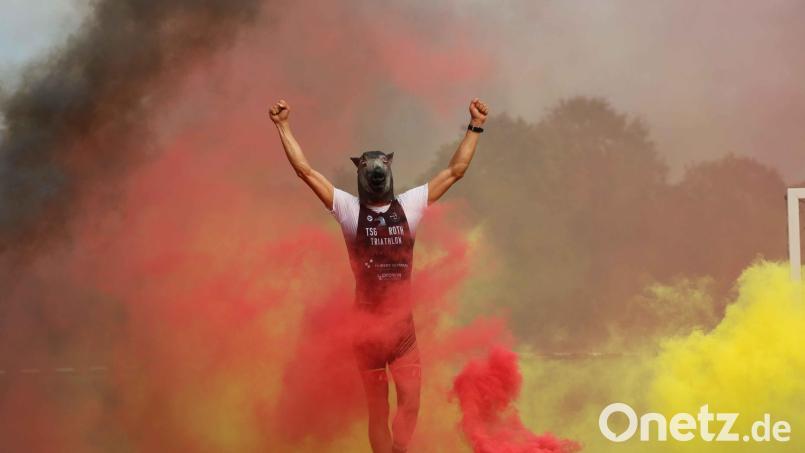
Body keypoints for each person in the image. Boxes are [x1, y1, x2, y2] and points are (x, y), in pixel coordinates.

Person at [270, 97, 488, 453]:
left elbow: (455, 171)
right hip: (367, 333)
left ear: (387, 170)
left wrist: (476, 125)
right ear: (361, 173)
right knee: (378, 411)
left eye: (378, 168)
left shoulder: (410, 205)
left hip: (403, 331)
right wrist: (282, 126)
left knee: (410, 404)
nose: (375, 174)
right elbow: (305, 172)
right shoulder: (348, 210)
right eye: (371, 169)